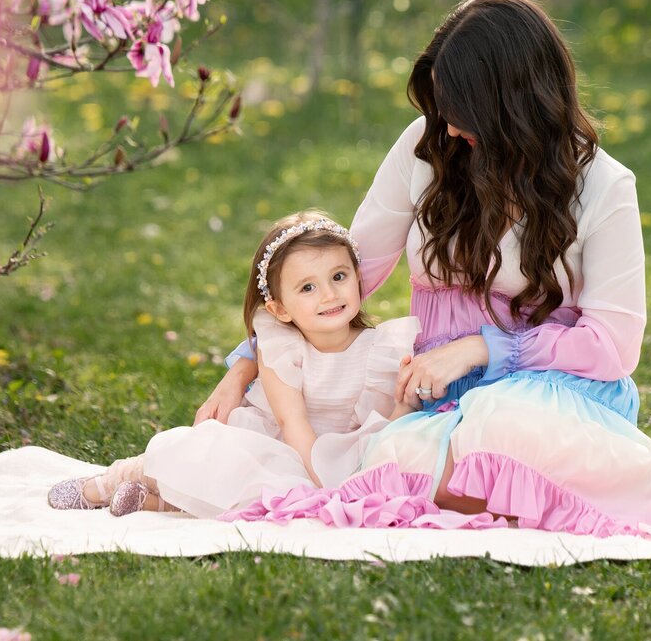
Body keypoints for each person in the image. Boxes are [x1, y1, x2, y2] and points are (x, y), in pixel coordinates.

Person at [202, 0, 651, 538]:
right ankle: (516, 483)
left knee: (502, 423)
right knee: (391, 452)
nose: (450, 127)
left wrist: (482, 351)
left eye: (462, 110)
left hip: (559, 394)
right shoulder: (426, 148)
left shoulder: (603, 187)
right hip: (442, 405)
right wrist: (248, 361)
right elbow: (345, 274)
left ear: (514, 104)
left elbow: (612, 346)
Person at [46, 211, 421, 517]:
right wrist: (327, 484)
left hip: (337, 454)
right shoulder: (282, 347)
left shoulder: (381, 348)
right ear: (279, 309)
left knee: (274, 496)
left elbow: (382, 424)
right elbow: (293, 424)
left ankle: (152, 502)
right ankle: (111, 481)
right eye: (307, 287)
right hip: (276, 442)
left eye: (339, 277)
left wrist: (349, 477)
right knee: (212, 458)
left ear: (358, 277)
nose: (328, 294)